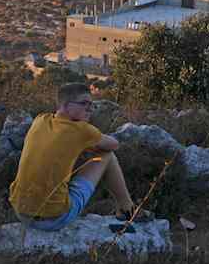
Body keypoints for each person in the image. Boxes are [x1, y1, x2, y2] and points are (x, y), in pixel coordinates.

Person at [9, 83, 151, 231]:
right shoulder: (81, 130)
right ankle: (127, 209)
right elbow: (113, 144)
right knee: (107, 155)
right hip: (53, 220)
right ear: (65, 105)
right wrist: (90, 142)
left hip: (21, 213)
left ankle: (126, 208)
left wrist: (84, 146)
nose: (89, 108)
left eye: (91, 104)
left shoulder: (40, 120)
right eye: (84, 103)